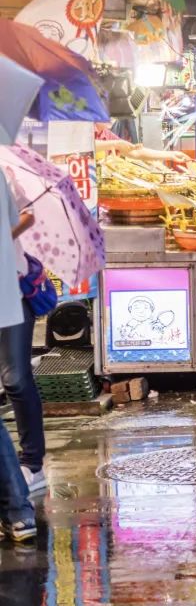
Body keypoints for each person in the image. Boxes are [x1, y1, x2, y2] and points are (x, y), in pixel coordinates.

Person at [0, 170, 45, 499]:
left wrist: (3, 236)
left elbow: (28, 214)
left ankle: (32, 463)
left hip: (10, 286)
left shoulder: (3, 174)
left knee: (15, 377)